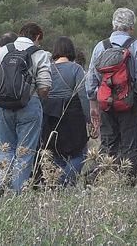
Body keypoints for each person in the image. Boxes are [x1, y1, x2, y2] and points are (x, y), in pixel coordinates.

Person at [0, 22, 51, 193]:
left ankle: (0, 188)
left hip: (1, 106)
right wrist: (33, 97)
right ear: (37, 37)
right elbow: (44, 87)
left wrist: (0, 100)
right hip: (29, 105)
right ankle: (16, 193)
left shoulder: (2, 51)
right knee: (25, 152)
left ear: (20, 33)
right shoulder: (40, 54)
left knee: (5, 148)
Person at [85, 8, 137, 179]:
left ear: (113, 25)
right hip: (129, 103)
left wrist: (93, 105)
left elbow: (91, 79)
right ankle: (126, 181)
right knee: (131, 147)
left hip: (105, 103)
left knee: (107, 145)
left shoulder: (101, 46)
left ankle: (96, 179)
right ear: (131, 27)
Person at [42, 36, 88, 185]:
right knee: (80, 152)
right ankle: (66, 181)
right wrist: (89, 118)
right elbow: (83, 95)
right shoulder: (76, 69)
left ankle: (57, 182)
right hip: (73, 115)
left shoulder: (48, 69)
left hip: (51, 115)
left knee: (56, 152)